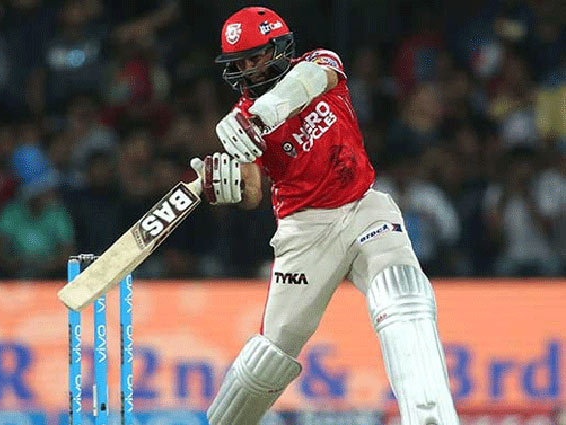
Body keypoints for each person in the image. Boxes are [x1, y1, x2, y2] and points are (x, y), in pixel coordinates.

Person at [189, 7, 459, 425]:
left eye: (254, 58)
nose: (246, 70)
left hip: (364, 208)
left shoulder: (318, 63)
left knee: (402, 295)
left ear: (279, 48)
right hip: (304, 232)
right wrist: (226, 187)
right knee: (270, 354)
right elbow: (254, 191)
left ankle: (431, 417)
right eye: (238, 63)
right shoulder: (243, 122)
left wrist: (262, 115)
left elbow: (314, 80)